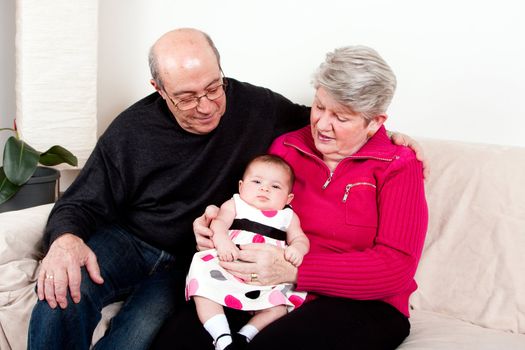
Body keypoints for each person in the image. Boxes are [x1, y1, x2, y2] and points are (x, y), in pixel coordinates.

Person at [27, 27, 424, 350]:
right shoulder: (135, 131)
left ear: (222, 72)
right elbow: (82, 200)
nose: (205, 106)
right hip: (145, 244)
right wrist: (65, 239)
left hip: (223, 266)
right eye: (185, 97)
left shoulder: (262, 110)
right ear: (158, 89)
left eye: (213, 88)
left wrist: (387, 137)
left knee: (143, 335)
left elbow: (333, 124)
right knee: (63, 291)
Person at [154, 45, 428, 350]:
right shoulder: (287, 147)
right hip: (269, 285)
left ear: (375, 122)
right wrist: (214, 229)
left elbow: (395, 268)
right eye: (320, 106)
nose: (323, 125)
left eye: (341, 117)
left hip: (363, 303)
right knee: (177, 340)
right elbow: (250, 210)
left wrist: (297, 271)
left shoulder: (398, 165)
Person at [187, 154, 309, 350]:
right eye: (257, 181)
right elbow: (219, 224)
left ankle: (247, 334)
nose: (264, 188)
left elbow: (300, 238)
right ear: (241, 186)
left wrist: (297, 249)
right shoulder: (235, 204)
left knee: (280, 306)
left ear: (289, 198)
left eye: (275, 186)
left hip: (267, 277)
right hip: (228, 263)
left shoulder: (288, 216)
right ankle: (221, 336)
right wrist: (222, 239)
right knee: (201, 286)